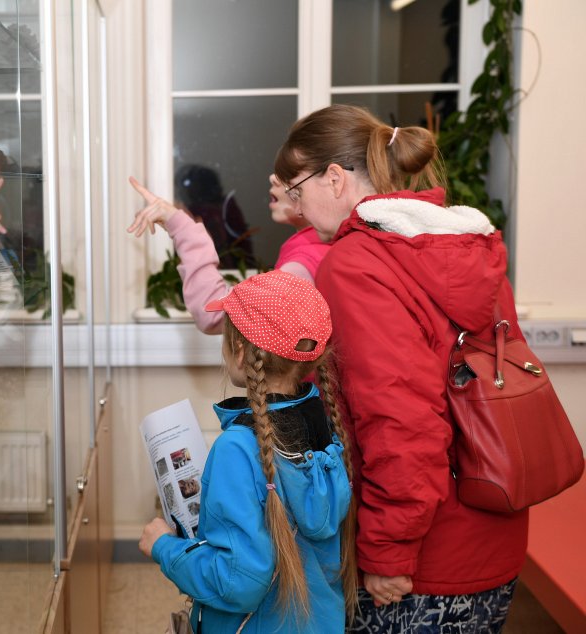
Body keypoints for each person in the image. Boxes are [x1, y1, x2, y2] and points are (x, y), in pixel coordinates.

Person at [273, 103, 527, 632]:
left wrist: (387, 551)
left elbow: (401, 421)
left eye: (297, 189)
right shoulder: (465, 245)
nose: (296, 207)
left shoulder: (356, 262)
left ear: (335, 178)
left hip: (420, 562)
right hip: (493, 533)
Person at [139, 271, 357, 633]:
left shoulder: (237, 448)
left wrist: (164, 547)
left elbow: (239, 580)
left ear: (240, 352)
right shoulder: (324, 426)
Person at [128, 171, 330, 334]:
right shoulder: (315, 251)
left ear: (332, 181)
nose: (273, 177)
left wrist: (183, 229)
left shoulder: (302, 265)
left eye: (291, 168)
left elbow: (214, 313)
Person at [173, 164, 254, 269]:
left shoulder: (211, 211)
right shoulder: (227, 207)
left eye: (188, 184)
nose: (182, 191)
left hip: (225, 270)